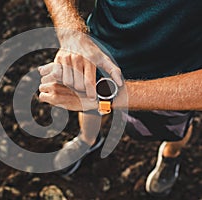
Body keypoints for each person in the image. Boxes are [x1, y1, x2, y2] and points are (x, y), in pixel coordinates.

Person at [40, 0, 202, 196]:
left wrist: (114, 96)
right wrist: (70, 32)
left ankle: (170, 155)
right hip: (100, 51)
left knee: (174, 128)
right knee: (90, 110)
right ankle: (87, 140)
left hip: (176, 79)